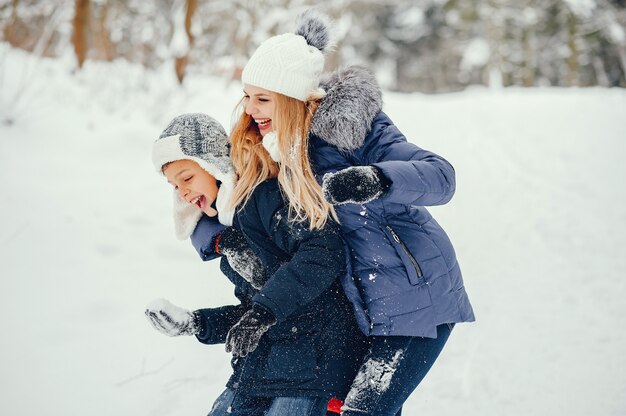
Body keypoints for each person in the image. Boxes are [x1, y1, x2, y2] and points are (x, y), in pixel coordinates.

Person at [191, 11, 475, 416]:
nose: (250, 109)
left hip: (413, 299)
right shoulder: (271, 146)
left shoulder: (356, 131)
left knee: (365, 410)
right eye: (247, 95)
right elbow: (220, 195)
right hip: (354, 310)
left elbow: (441, 175)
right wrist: (211, 237)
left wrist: (376, 179)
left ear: (293, 98)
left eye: (263, 98)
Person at [145, 113, 367, 416]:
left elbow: (323, 251)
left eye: (187, 178)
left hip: (315, 366)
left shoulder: (264, 198)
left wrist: (263, 312)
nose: (182, 191)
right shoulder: (230, 230)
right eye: (174, 185)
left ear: (214, 165)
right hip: (263, 369)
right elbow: (254, 311)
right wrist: (197, 323)